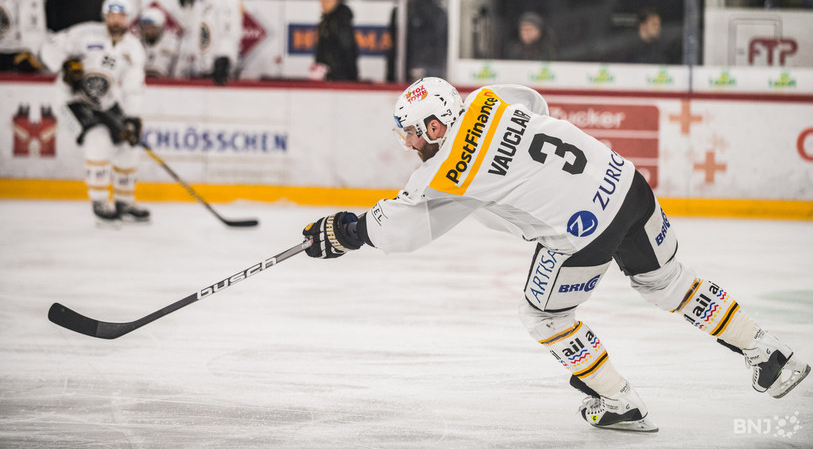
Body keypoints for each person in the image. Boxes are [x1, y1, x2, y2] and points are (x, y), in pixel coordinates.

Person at [300, 77, 810, 432]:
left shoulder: (443, 171)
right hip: (629, 186)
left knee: (543, 314)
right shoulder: (491, 98)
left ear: (436, 126)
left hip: (583, 232)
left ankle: (619, 403)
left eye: (413, 132)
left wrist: (348, 230)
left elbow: (400, 231)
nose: (410, 144)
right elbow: (533, 104)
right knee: (671, 283)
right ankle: (770, 354)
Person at [40, 0, 150, 224]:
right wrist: (65, 64)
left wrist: (132, 117)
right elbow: (48, 45)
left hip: (106, 102)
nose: (116, 20)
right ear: (105, 16)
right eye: (111, 15)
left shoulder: (133, 48)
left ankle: (124, 202)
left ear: (128, 19)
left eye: (121, 16)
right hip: (71, 100)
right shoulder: (85, 33)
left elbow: (133, 88)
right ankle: (100, 201)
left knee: (129, 144)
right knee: (98, 138)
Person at [178, 0, 242, 85]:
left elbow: (231, 32)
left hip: (218, 63)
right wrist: (184, 5)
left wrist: (225, 57)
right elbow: (187, 25)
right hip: (196, 61)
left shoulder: (230, 0)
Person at [386, 0, 447, 82]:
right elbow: (393, 46)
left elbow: (438, 44)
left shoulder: (435, 13)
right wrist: (390, 76)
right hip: (403, 73)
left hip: (428, 72)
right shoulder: (398, 12)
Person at [312, 0, 358, 81]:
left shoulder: (340, 22)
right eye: (322, 0)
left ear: (338, 0)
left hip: (339, 80)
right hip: (330, 78)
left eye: (328, 0)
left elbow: (348, 51)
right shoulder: (326, 22)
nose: (323, 4)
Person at [139, 6, 180, 77]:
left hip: (167, 84)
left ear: (160, 27)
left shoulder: (173, 44)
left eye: (152, 27)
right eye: (145, 27)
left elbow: (179, 72)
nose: (148, 31)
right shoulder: (136, 44)